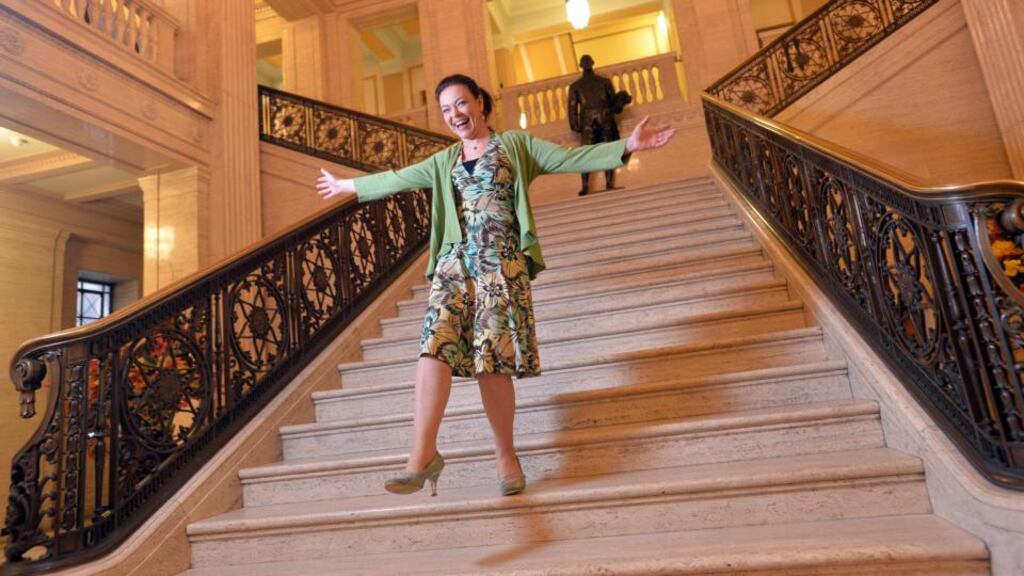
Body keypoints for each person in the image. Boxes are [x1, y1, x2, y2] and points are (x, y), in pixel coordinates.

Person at [316, 74, 675, 498]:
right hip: (454, 265)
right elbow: (398, 177)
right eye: (447, 110)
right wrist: (346, 186)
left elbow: (566, 159)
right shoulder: (445, 159)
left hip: (500, 265)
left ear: (480, 103)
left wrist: (627, 147)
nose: (455, 115)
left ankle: (506, 455)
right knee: (434, 345)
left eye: (461, 104)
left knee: (493, 360)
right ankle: (421, 453)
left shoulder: (517, 146)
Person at [568, 54, 628, 196]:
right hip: (587, 122)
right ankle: (585, 186)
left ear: (593, 63)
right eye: (584, 62)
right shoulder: (575, 86)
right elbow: (572, 107)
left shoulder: (605, 82)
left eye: (588, 61)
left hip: (605, 118)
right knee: (586, 154)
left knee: (609, 152)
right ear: (581, 65)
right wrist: (574, 124)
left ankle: (609, 183)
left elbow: (613, 102)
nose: (587, 64)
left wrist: (621, 100)